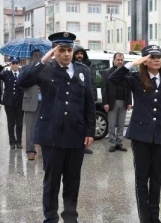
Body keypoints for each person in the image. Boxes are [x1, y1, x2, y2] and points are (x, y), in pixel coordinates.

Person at [17, 31, 96, 223]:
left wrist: (89, 131)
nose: (67, 54)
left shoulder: (83, 71)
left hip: (76, 135)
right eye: (62, 50)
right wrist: (43, 60)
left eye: (70, 50)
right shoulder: (45, 68)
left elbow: (89, 102)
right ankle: (50, 218)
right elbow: (22, 81)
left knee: (72, 182)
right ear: (54, 50)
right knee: (52, 182)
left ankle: (70, 217)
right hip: (52, 135)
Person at [109, 45, 161, 223]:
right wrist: (132, 63)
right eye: (151, 56)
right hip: (141, 136)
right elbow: (112, 79)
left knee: (156, 179)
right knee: (141, 179)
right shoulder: (136, 79)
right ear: (145, 60)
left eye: (158, 57)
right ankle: (145, 218)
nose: (156, 59)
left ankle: (155, 217)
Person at [101, 52, 132, 152]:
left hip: (123, 102)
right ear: (114, 60)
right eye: (118, 59)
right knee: (111, 124)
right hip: (111, 102)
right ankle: (112, 143)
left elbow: (129, 88)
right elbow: (104, 88)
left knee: (121, 124)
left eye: (121, 60)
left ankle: (119, 142)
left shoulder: (126, 72)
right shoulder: (107, 72)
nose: (120, 61)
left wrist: (129, 102)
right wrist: (105, 102)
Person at [72, 45, 97, 154]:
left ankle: (84, 145)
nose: (79, 56)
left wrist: (94, 97)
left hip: (87, 99)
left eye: (81, 54)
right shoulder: (72, 67)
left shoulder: (88, 67)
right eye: (77, 53)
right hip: (76, 100)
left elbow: (93, 83)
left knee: (86, 123)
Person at [22, 50, 42, 160]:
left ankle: (45, 149)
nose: (38, 57)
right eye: (35, 56)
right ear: (31, 57)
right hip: (30, 101)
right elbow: (21, 83)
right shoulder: (25, 69)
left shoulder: (46, 69)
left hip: (44, 103)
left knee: (44, 127)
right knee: (30, 128)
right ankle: (30, 150)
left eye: (40, 56)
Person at [0, 57, 24, 149]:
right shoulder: (6, 73)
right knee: (11, 123)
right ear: (10, 64)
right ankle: (12, 142)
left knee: (19, 124)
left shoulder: (22, 74)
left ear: (19, 64)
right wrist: (4, 65)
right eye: (13, 63)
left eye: (16, 63)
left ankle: (19, 142)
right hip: (9, 103)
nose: (14, 65)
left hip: (20, 103)